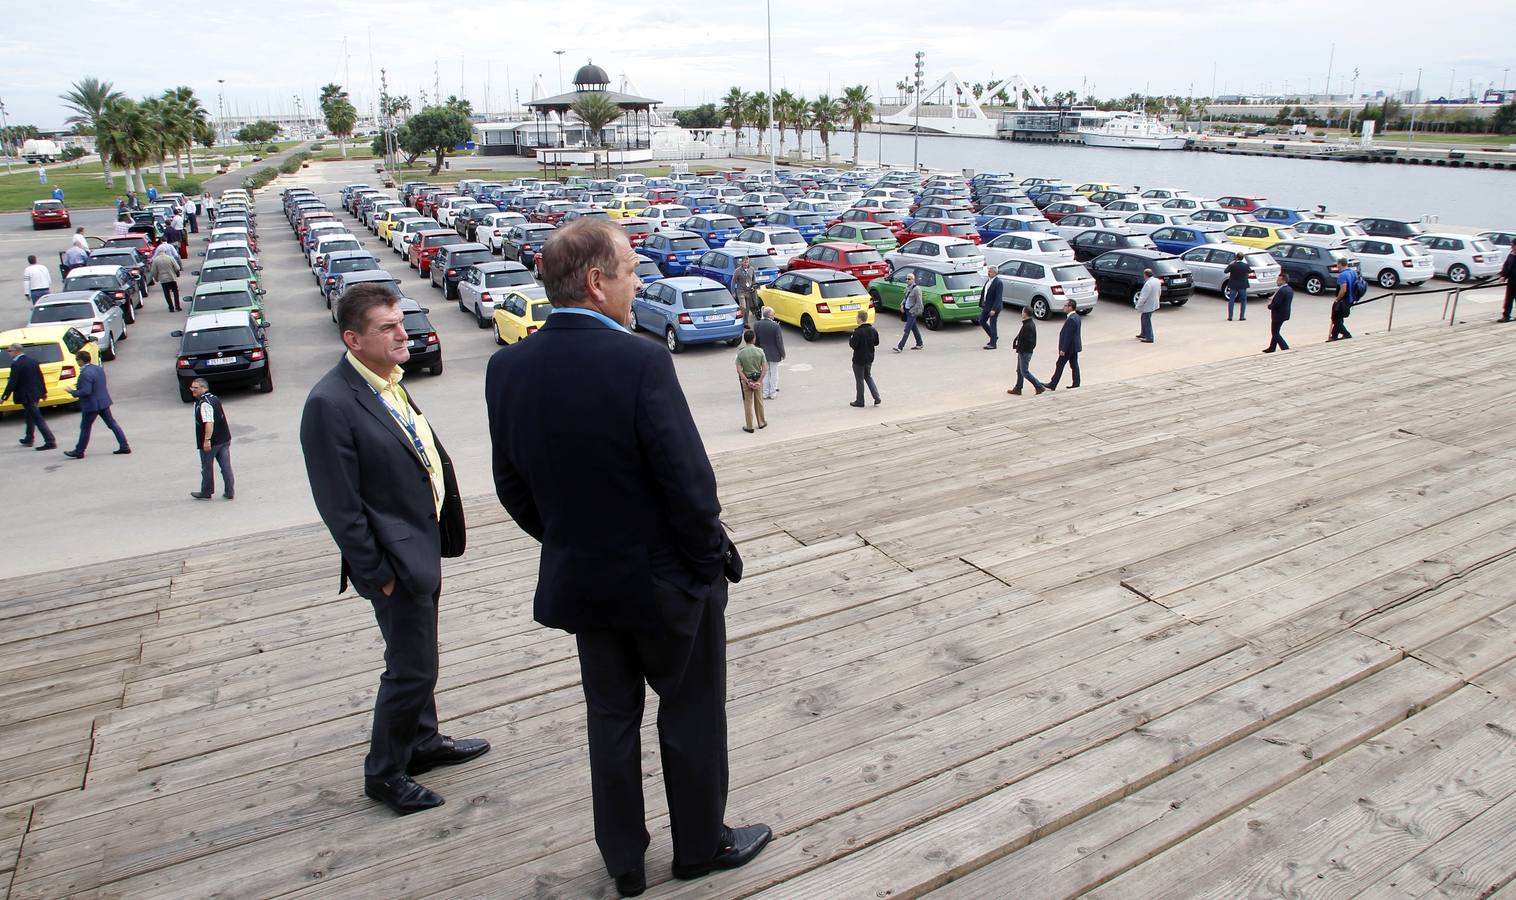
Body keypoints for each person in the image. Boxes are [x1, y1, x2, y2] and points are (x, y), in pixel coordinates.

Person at [483, 219, 769, 896]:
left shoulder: (508, 366)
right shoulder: (639, 360)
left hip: (584, 581)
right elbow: (689, 483)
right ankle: (700, 847)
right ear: (596, 281)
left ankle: (624, 862)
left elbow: (510, 485)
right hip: (666, 582)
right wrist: (704, 563)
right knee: (690, 712)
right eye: (631, 269)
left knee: (610, 721)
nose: (638, 281)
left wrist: (570, 540)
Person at [300, 283, 478, 817]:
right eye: (388, 327)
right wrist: (374, 571)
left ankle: (421, 741)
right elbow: (340, 505)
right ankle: (384, 773)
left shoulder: (388, 382)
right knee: (410, 668)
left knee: (419, 659)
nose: (404, 333)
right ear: (354, 339)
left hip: (420, 546)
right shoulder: (329, 404)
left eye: (401, 322)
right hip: (393, 564)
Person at [62, 350, 129, 458]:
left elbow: (86, 391)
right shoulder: (97, 368)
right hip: (103, 402)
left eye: (77, 360)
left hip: (91, 405)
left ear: (81, 360)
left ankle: (79, 451)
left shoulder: (85, 373)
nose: (76, 362)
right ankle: (124, 446)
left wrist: (73, 392)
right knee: (112, 424)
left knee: (85, 427)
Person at [1, 343, 56, 450]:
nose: (8, 353)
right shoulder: (32, 361)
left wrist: (4, 397)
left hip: (27, 395)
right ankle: (29, 437)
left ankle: (50, 440)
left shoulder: (16, 364)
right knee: (29, 415)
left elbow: (12, 382)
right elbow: (40, 377)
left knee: (37, 418)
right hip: (35, 393)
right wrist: (44, 392)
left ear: (16, 351)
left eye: (9, 351)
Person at [188, 378, 235, 500]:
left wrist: (207, 439)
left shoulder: (204, 403)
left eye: (195, 388)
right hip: (224, 439)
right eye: (191, 387)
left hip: (212, 442)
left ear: (204, 388)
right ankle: (230, 491)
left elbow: (209, 423)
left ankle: (206, 491)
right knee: (226, 467)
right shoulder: (214, 398)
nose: (192, 390)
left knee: (207, 467)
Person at [1008, 306, 1047, 396]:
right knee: (1019, 370)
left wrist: (1021, 349)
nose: (1022, 313)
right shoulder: (1027, 324)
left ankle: (1038, 386)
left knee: (1024, 372)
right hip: (1022, 351)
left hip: (1025, 352)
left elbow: (1030, 342)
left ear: (1025, 313)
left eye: (1022, 312)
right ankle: (1018, 388)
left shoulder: (1028, 326)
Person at [734, 330, 767, 433]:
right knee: (759, 402)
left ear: (745, 340)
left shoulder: (740, 353)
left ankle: (749, 426)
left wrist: (747, 381)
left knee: (748, 404)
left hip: (747, 381)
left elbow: (739, 370)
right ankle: (761, 423)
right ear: (754, 339)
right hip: (758, 380)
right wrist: (759, 381)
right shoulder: (760, 351)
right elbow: (765, 368)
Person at [1047, 298, 1082, 390]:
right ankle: (1076, 383)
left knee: (1060, 364)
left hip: (1069, 348)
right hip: (1074, 347)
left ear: (1070, 307)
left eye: (1065, 306)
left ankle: (1053, 384)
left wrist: (1063, 349)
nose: (1064, 307)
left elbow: (1068, 336)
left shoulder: (1071, 319)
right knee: (1074, 365)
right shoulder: (1076, 317)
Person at [848, 309, 881, 407]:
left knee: (860, 379)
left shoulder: (858, 332)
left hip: (859, 360)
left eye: (857, 317)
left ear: (860, 318)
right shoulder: (873, 330)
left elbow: (853, 345)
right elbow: (876, 343)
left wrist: (851, 339)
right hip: (869, 358)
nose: (856, 319)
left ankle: (860, 401)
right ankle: (877, 397)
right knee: (868, 377)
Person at [753, 306, 785, 400]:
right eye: (773, 314)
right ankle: (773, 392)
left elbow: (756, 340)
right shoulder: (776, 326)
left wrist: (757, 350)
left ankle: (765, 393)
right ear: (770, 315)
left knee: (765, 373)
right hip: (774, 353)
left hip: (762, 353)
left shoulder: (757, 324)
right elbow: (779, 342)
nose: (774, 315)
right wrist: (782, 353)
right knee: (774, 373)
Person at [1264, 271, 1293, 353]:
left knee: (1275, 332)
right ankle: (1272, 347)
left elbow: (1277, 303)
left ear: (1283, 280)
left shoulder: (1282, 291)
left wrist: (1270, 306)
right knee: (1276, 331)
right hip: (1284, 314)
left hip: (1278, 315)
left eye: (1278, 280)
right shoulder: (1289, 289)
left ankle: (1285, 347)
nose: (1277, 281)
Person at [1330, 261, 1360, 341]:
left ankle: (1346, 334)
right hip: (1351, 299)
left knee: (1335, 318)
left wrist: (1337, 299)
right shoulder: (1353, 273)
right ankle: (1334, 336)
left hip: (1343, 300)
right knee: (1339, 317)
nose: (1337, 267)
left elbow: (1343, 289)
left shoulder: (1342, 275)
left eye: (1337, 265)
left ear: (1340, 264)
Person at [894, 272, 924, 352]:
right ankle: (920, 343)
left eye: (909, 279)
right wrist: (902, 305)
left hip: (912, 312)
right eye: (906, 279)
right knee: (914, 328)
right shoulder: (908, 288)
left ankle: (900, 347)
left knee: (907, 329)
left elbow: (919, 303)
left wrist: (912, 311)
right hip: (907, 310)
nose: (907, 280)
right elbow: (905, 298)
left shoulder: (917, 289)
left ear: (913, 280)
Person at [150, 243, 183, 311]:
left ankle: (171, 307)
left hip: (163, 279)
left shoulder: (156, 260)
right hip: (171, 277)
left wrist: (156, 278)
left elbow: (153, 271)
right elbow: (177, 268)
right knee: (175, 292)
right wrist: (176, 273)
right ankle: (177, 306)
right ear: (165, 251)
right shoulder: (170, 258)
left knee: (166, 293)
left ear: (158, 252)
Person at [978, 266, 1003, 349]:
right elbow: (984, 292)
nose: (988, 273)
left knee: (993, 324)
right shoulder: (988, 281)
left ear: (995, 273)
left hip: (993, 308)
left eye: (990, 272)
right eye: (988, 271)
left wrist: (994, 309)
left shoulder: (998, 283)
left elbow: (998, 298)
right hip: (987, 306)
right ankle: (994, 337)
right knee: (982, 321)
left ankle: (993, 344)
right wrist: (982, 303)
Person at [1223, 252, 1253, 321]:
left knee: (1231, 300)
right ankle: (1242, 316)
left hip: (1233, 285)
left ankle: (1230, 317)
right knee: (1243, 300)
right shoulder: (1246, 265)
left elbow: (1225, 271)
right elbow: (1250, 271)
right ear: (1243, 258)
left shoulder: (1232, 265)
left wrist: (1230, 264)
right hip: (1242, 285)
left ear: (1236, 257)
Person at [1135, 268, 1161, 343]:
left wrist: (1138, 306)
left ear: (1145, 275)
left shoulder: (1148, 284)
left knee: (1146, 320)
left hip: (1148, 305)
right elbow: (1159, 291)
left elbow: (1143, 297)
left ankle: (1149, 337)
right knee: (1144, 318)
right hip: (1154, 303)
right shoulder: (1156, 281)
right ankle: (1143, 333)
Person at [1499, 245, 1515, 323]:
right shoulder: (1511, 254)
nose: (1512, 247)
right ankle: (1506, 316)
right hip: (1512, 281)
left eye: (1513, 245)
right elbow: (1506, 265)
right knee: (1509, 299)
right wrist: (1503, 275)